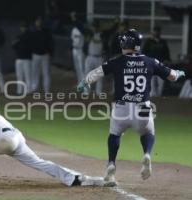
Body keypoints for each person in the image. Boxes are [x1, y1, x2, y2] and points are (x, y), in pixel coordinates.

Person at [77, 29, 185, 185]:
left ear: (125, 43)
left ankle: (111, 164)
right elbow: (172, 76)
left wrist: (84, 82)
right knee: (148, 132)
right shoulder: (150, 61)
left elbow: (97, 73)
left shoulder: (117, 61)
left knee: (114, 134)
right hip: (143, 106)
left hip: (121, 107)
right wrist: (179, 73)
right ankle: (147, 154)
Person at [143, 26, 171, 97]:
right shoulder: (148, 42)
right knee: (152, 84)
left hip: (161, 65)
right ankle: (153, 98)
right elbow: (143, 53)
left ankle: (159, 98)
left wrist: (167, 61)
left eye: (157, 31)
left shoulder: (163, 42)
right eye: (155, 31)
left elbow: (167, 54)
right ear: (152, 32)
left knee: (160, 84)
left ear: (160, 32)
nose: (156, 33)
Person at [30, 17, 54, 93]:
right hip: (35, 54)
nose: (39, 23)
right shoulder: (33, 32)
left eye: (40, 21)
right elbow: (30, 43)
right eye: (37, 21)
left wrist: (51, 53)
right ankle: (34, 88)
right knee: (35, 72)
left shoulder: (46, 32)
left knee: (46, 73)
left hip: (45, 55)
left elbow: (50, 43)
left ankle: (47, 90)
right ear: (35, 23)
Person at [12, 22, 32, 94]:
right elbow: (13, 46)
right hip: (19, 58)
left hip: (27, 58)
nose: (23, 28)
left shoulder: (30, 36)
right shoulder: (19, 37)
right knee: (19, 76)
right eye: (22, 27)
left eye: (25, 27)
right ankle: (19, 91)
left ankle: (28, 90)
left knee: (27, 75)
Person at [84, 20, 103, 95]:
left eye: (95, 26)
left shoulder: (102, 35)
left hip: (99, 57)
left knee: (99, 77)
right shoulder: (89, 34)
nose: (94, 28)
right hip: (90, 57)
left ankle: (99, 92)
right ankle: (86, 92)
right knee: (87, 75)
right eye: (93, 26)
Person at [70, 12, 85, 83]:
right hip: (74, 50)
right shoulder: (73, 29)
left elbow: (78, 24)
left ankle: (84, 84)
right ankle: (80, 83)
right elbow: (72, 40)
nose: (73, 19)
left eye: (74, 17)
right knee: (77, 68)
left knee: (81, 68)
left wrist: (74, 18)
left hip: (80, 50)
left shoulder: (81, 28)